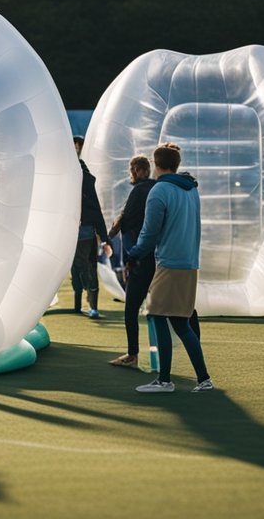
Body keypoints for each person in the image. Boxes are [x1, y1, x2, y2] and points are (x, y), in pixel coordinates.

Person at [127, 143, 213, 393]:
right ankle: (203, 379)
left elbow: (149, 231)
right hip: (188, 262)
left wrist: (134, 253)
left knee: (157, 314)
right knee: (180, 322)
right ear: (176, 164)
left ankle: (165, 380)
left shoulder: (160, 190)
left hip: (170, 263)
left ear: (156, 164)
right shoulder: (191, 189)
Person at [107, 155, 156, 368]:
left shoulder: (138, 191)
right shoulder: (156, 189)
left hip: (139, 259)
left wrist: (128, 259)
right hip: (158, 258)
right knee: (169, 311)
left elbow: (126, 222)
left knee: (131, 309)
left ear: (135, 170)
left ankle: (132, 355)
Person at [71, 137, 111, 319]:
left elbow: (94, 208)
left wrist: (104, 237)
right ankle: (85, 303)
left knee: (82, 266)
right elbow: (95, 208)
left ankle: (85, 303)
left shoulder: (77, 174)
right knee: (84, 266)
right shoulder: (82, 174)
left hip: (78, 229)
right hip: (81, 229)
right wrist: (104, 236)